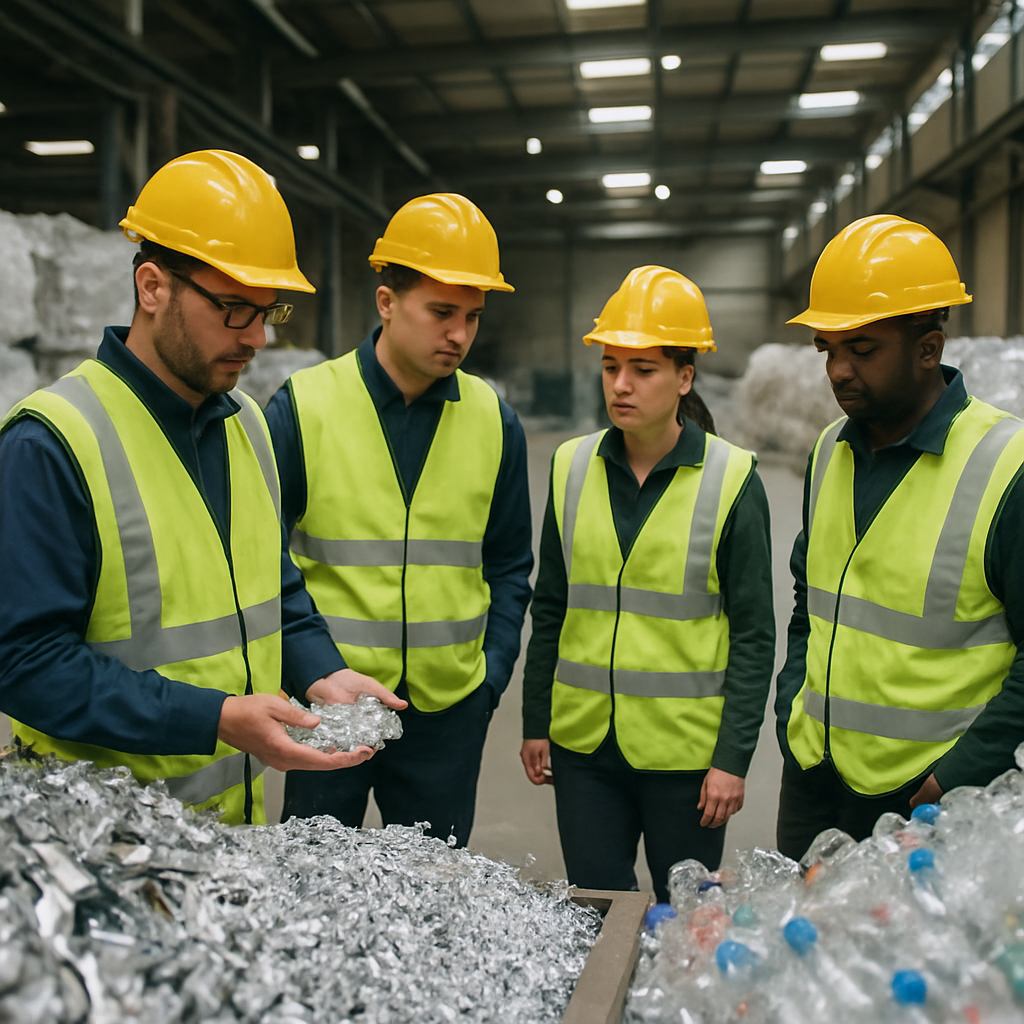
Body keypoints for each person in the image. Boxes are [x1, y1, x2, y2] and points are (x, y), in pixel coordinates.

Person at [0, 149, 405, 826]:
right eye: (231, 309)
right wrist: (213, 717)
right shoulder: (52, 442)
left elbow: (272, 586)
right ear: (153, 287)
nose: (254, 338)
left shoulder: (245, 423)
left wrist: (319, 672)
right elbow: (27, 665)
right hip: (103, 838)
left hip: (228, 829)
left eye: (267, 312)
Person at [265, 192, 533, 847]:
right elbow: (258, 555)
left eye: (471, 316)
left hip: (448, 710)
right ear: (386, 302)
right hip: (333, 701)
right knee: (316, 887)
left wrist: (490, 677)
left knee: (434, 894)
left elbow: (509, 564)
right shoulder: (303, 407)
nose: (459, 335)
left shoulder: (495, 422)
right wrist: (310, 672)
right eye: (442, 312)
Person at [520, 266, 775, 903]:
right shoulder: (570, 466)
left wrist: (732, 759)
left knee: (684, 918)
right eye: (610, 367)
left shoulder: (732, 480)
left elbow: (753, 635)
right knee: (597, 911)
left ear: (685, 377)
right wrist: (536, 720)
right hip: (583, 748)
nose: (621, 385)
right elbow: (550, 604)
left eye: (643, 369)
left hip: (685, 760)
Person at [775, 214, 1024, 861]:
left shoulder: (1006, 467)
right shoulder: (829, 449)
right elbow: (811, 601)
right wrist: (790, 714)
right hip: (814, 774)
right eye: (827, 348)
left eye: (861, 350)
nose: (837, 370)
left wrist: (962, 772)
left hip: (926, 800)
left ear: (927, 348)